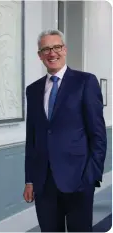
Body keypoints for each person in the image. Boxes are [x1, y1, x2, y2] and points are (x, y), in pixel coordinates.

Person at [23, 29, 107, 232]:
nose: (52, 53)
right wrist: (29, 180)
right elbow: (32, 139)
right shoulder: (33, 90)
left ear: (65, 49)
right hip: (44, 184)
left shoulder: (85, 82)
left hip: (78, 180)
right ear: (40, 55)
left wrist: (90, 177)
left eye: (56, 47)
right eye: (46, 49)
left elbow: (98, 135)